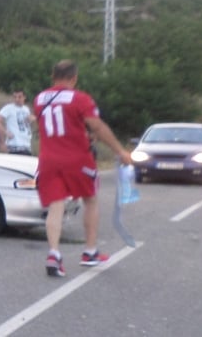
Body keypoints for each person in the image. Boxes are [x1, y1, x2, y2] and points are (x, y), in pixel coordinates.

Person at [34, 59, 132, 278]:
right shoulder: (80, 99)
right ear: (74, 78)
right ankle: (89, 251)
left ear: (53, 76)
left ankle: (54, 254)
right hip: (77, 158)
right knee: (90, 199)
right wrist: (120, 151)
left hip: (48, 159)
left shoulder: (39, 99)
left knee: (56, 206)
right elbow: (96, 125)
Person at [0, 90, 36, 156]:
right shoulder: (9, 108)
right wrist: (5, 132)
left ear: (24, 97)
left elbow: (28, 123)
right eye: (15, 97)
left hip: (26, 145)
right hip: (14, 144)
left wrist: (32, 119)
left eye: (19, 97)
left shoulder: (26, 109)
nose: (17, 99)